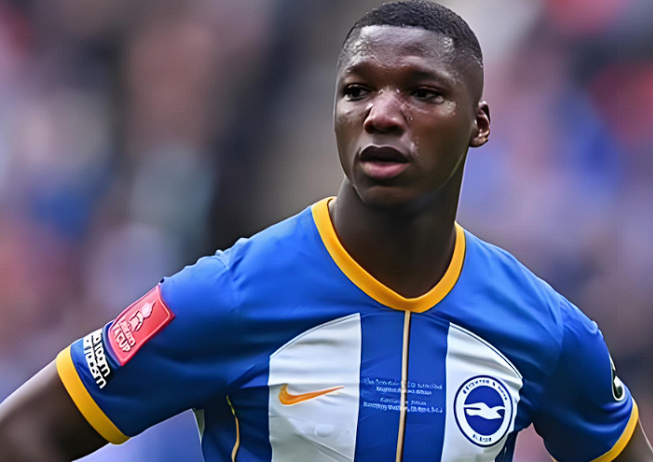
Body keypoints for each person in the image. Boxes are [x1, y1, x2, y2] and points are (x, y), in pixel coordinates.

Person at [0, 1, 651, 461]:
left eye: (423, 92)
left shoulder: (545, 330)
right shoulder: (229, 295)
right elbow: (25, 434)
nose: (382, 114)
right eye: (357, 90)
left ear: (479, 124)